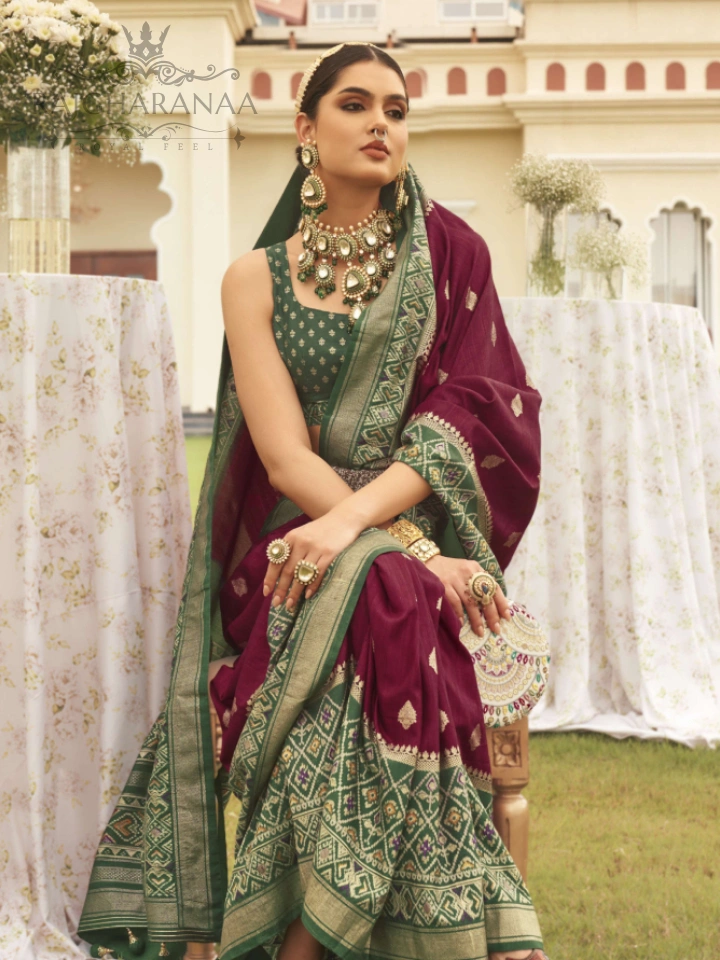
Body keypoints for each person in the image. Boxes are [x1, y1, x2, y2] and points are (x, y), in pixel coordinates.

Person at [78, 41, 548, 960]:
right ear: (306, 128)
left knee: (389, 594)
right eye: (355, 105)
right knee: (392, 594)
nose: (381, 125)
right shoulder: (253, 277)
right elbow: (285, 455)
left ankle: (302, 939)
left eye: (397, 111)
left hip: (401, 525)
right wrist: (388, 547)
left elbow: (475, 410)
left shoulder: (451, 255)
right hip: (292, 543)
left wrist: (392, 539)